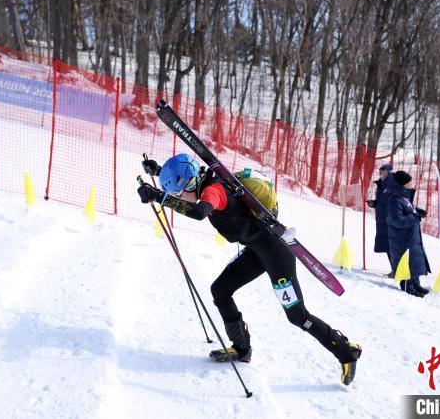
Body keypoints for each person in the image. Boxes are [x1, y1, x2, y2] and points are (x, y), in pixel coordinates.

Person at [137, 153, 362, 385]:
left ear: (191, 182)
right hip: (256, 252)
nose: (178, 196)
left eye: (178, 191)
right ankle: (242, 349)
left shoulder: (213, 191)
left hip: (277, 255)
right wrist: (158, 171)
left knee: (297, 316)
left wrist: (159, 197)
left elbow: (199, 212)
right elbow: (185, 183)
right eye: (175, 193)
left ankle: (346, 351)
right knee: (221, 290)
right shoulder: (202, 182)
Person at [383, 170, 431, 298]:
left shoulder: (403, 197)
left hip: (411, 236)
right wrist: (415, 217)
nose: (412, 183)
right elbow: (397, 220)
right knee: (406, 261)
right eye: (409, 181)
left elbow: (409, 209)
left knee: (415, 260)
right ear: (402, 184)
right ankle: (407, 285)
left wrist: (418, 211)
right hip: (402, 239)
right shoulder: (394, 200)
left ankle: (415, 283)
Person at [366, 164, 394, 277]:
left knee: (393, 246)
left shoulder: (392, 185)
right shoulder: (381, 185)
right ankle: (395, 269)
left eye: (382, 170)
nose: (380, 172)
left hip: (390, 220)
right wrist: (374, 204)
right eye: (380, 170)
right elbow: (381, 202)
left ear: (388, 171)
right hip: (381, 220)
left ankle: (400, 270)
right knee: (387, 246)